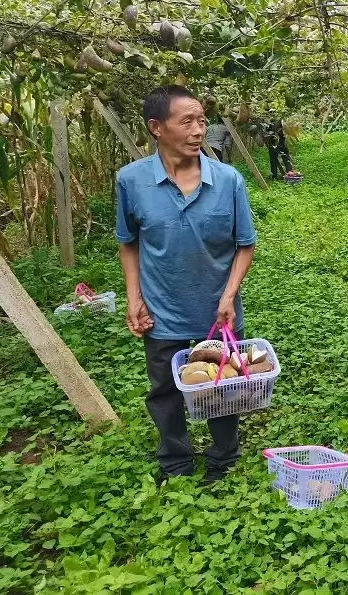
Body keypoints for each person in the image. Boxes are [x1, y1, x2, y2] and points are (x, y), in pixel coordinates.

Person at [115, 86, 257, 485]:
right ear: (156, 128)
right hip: (162, 312)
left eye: (202, 121)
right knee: (165, 392)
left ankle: (223, 460)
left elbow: (245, 244)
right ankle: (175, 463)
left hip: (219, 312)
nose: (198, 130)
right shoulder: (131, 181)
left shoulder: (228, 180)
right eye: (187, 121)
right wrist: (134, 298)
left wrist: (228, 295)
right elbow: (129, 242)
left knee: (223, 389)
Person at [260, 118, 302, 182]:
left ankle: (288, 172)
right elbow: (274, 136)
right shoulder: (276, 126)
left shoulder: (283, 125)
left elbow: (283, 136)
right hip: (273, 140)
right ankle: (274, 175)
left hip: (279, 139)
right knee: (274, 157)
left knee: (284, 155)